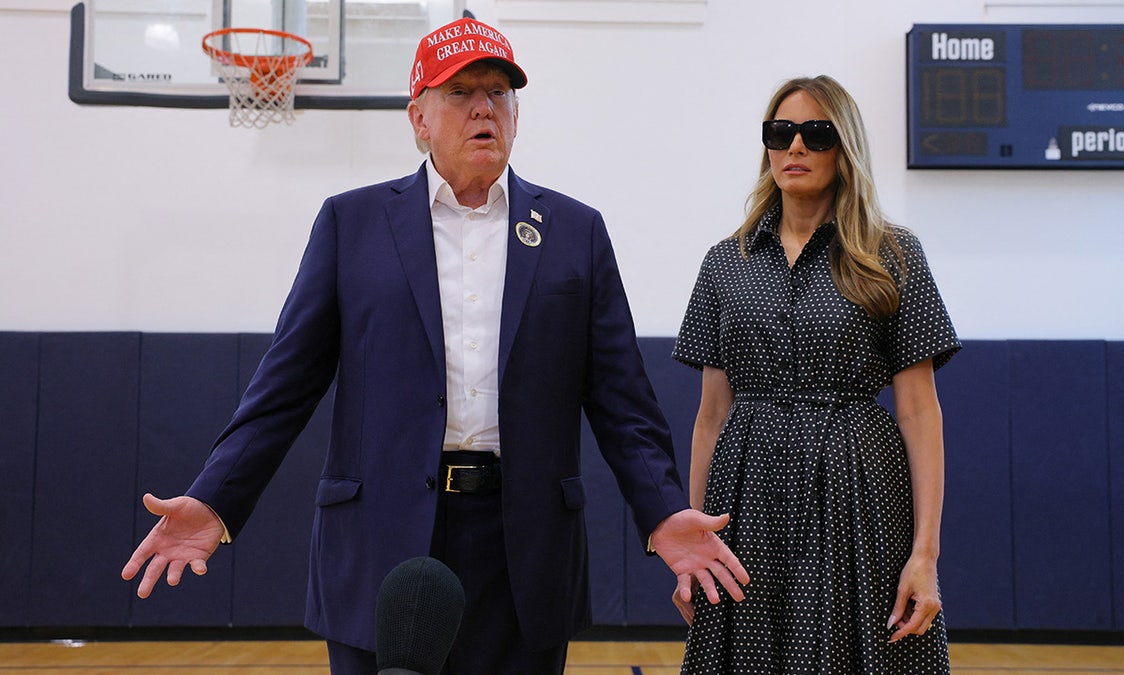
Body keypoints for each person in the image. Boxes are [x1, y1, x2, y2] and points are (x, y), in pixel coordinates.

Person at [121, 16, 748, 675]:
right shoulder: (351, 223)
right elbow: (283, 387)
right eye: (461, 92)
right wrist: (215, 495)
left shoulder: (574, 232)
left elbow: (624, 404)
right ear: (418, 117)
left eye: (500, 93)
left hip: (523, 548)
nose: (485, 107)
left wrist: (664, 509)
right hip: (379, 542)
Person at [670, 75, 960, 673]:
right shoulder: (726, 261)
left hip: (858, 496)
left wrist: (925, 556)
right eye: (781, 132)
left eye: (815, 133)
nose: (795, 146)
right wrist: (693, 546)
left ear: (844, 146)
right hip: (747, 496)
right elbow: (711, 416)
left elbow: (918, 410)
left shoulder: (893, 255)